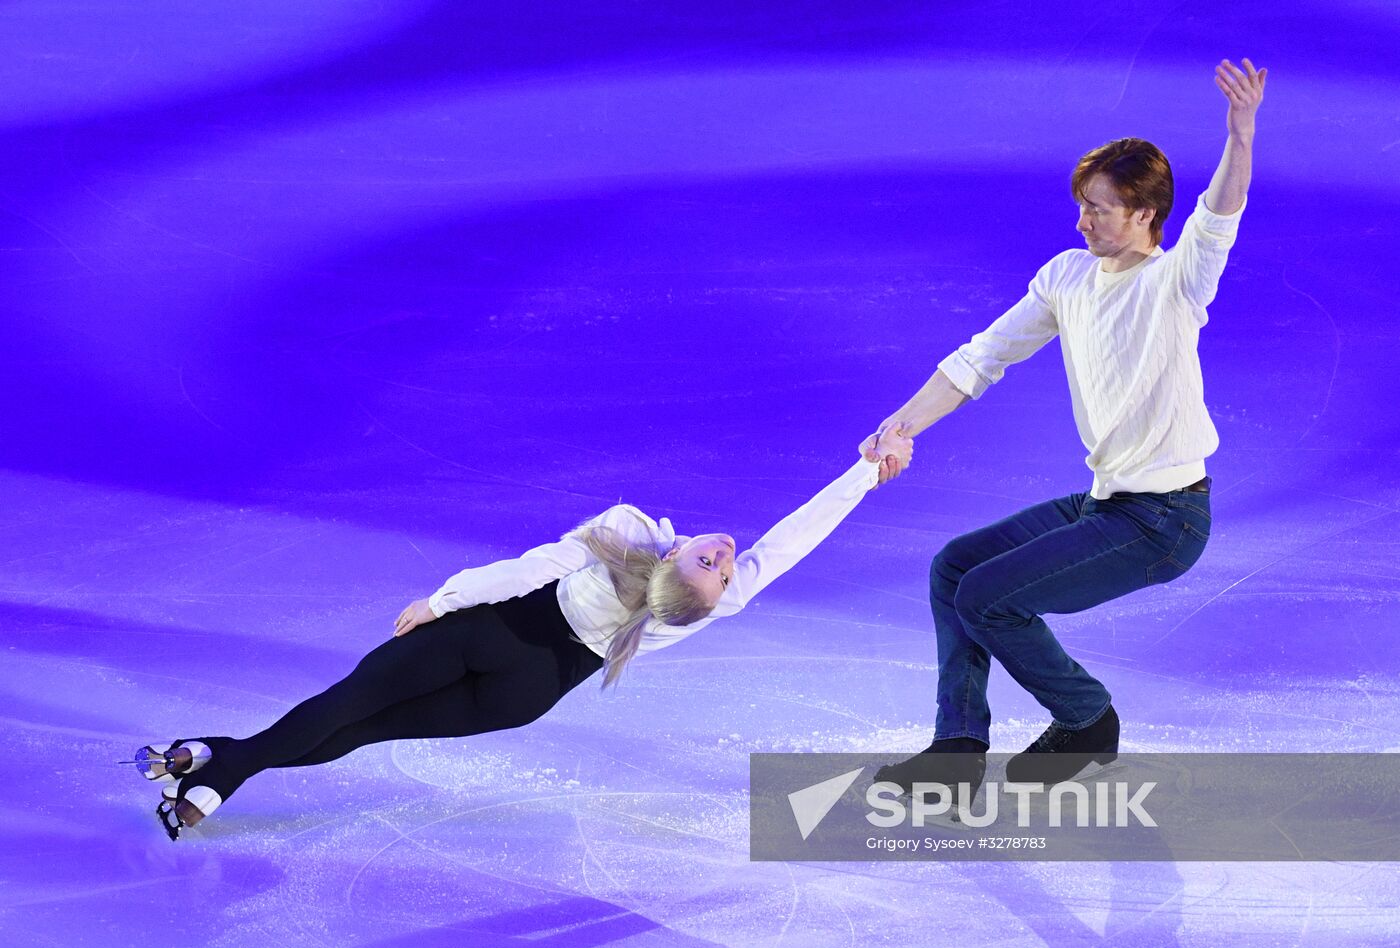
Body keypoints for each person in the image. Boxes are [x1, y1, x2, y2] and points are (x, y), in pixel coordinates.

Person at [133, 427, 914, 839]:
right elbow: (537, 563)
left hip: (521, 677)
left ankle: (212, 761)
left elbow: (790, 543)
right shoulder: (629, 532)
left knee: (362, 722)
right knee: (347, 706)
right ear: (675, 553)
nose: (728, 554)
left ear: (694, 593)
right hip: (495, 642)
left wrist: (449, 601)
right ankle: (216, 769)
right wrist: (446, 601)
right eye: (719, 556)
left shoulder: (675, 578)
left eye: (719, 567)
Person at [869, 59, 1268, 799]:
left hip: (1166, 519)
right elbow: (982, 357)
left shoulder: (1176, 279)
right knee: (955, 568)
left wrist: (1240, 133)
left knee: (988, 596)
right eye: (1082, 204)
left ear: (1145, 213)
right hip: (1105, 504)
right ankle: (957, 749)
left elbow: (1222, 208)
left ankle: (1088, 720)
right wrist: (903, 423)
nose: (1081, 220)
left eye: (1099, 208)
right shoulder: (1067, 277)